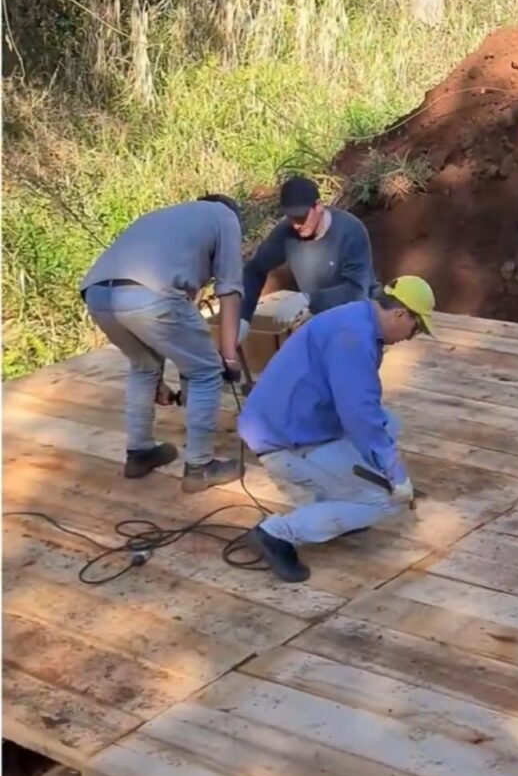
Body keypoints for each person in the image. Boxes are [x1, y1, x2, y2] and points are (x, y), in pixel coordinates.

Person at [237, 276, 436, 582]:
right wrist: (396, 476)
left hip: (295, 422)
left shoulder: (358, 318)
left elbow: (363, 412)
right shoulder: (354, 339)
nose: (412, 337)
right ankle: (276, 533)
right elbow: (359, 414)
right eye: (416, 328)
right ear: (400, 315)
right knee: (384, 502)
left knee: (389, 425)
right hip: (285, 441)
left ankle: (340, 502)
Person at [80, 194, 246, 491]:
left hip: (97, 294)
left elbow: (183, 304)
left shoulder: (170, 218)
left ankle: (140, 452)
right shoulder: (226, 217)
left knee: (144, 368)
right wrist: (229, 357)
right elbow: (230, 289)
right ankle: (200, 466)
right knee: (207, 371)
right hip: (150, 296)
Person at [241, 175, 377, 331]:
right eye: (291, 217)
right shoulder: (286, 233)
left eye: (301, 217)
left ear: (318, 207)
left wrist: (308, 299)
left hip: (357, 318)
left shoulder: (350, 231)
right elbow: (255, 269)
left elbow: (356, 292)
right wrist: (243, 317)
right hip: (319, 318)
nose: (296, 225)